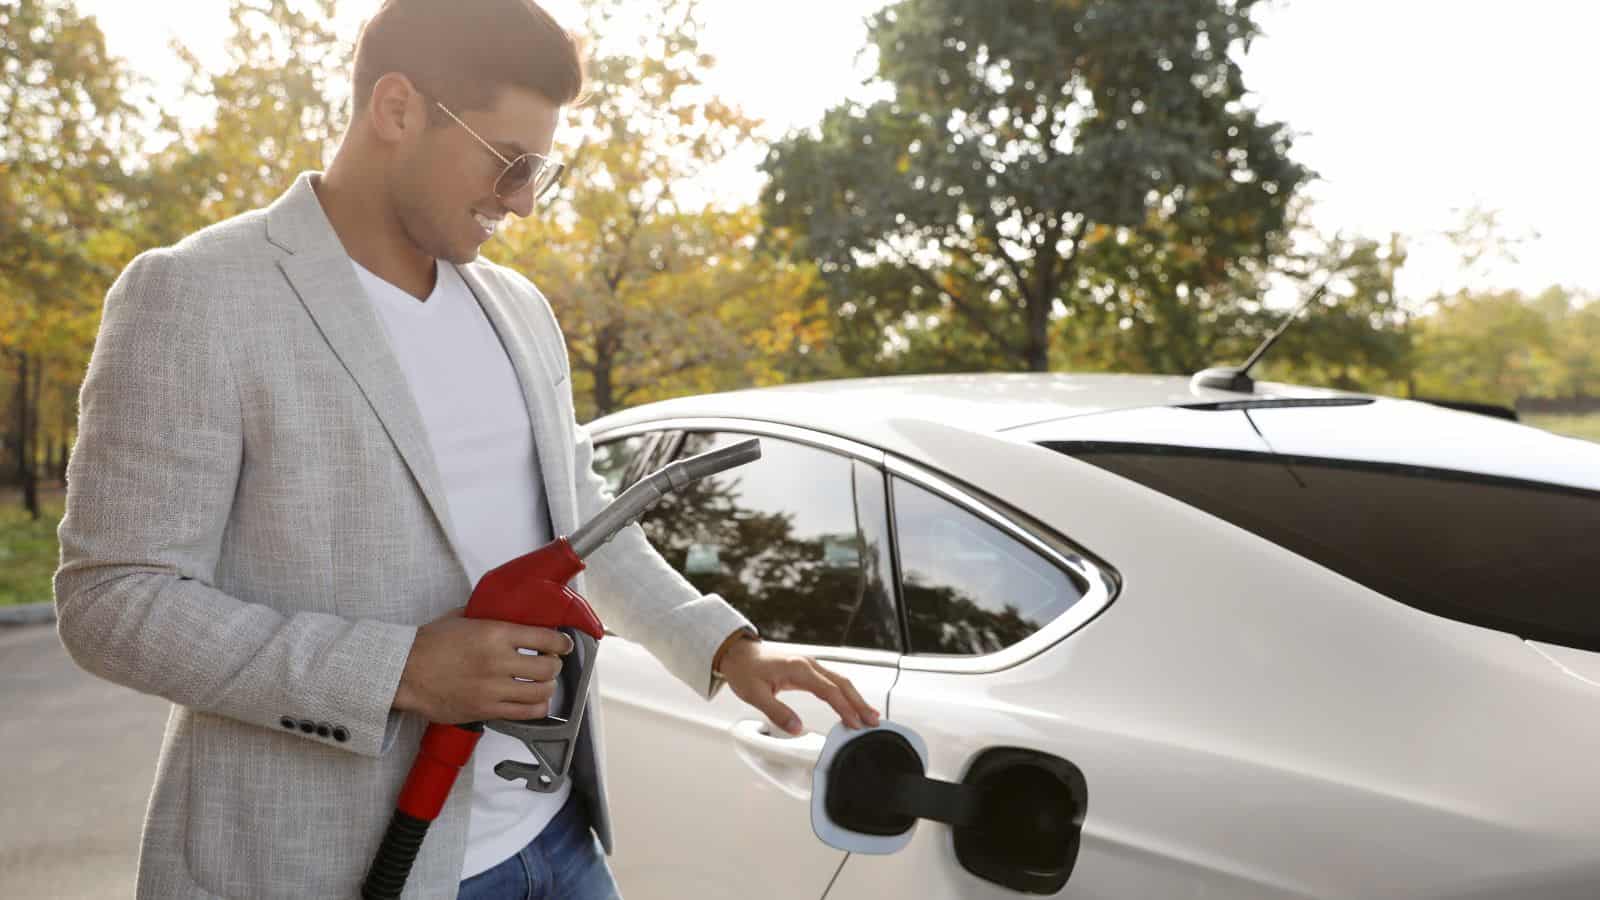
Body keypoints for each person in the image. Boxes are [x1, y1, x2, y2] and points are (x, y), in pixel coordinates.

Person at [52, 1, 880, 897]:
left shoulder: (519, 311)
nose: (522, 201)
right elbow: (113, 600)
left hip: (556, 844)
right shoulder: (197, 296)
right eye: (509, 162)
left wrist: (724, 649)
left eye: (541, 171)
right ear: (399, 108)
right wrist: (400, 671)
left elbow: (584, 532)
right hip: (335, 864)